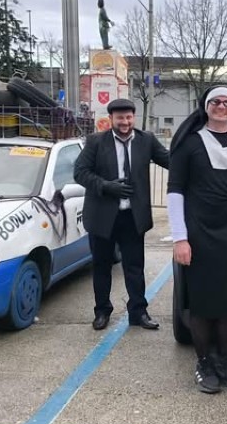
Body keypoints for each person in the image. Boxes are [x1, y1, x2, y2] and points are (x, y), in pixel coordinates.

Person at [167, 84, 227, 394]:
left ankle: (225, 360)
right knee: (203, 303)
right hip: (200, 233)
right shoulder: (189, 143)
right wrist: (180, 238)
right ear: (205, 106)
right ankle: (204, 362)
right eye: (216, 102)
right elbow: (175, 192)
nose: (222, 107)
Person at [73, 98, 170, 331]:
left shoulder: (146, 140)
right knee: (102, 267)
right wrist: (106, 186)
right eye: (120, 118)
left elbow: (170, 161)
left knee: (135, 267)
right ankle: (102, 311)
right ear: (111, 119)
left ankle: (138, 312)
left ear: (133, 117)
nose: (125, 122)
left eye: (128, 117)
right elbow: (80, 172)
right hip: (102, 216)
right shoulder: (96, 142)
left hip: (132, 217)